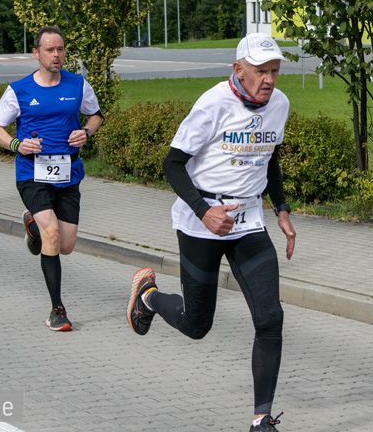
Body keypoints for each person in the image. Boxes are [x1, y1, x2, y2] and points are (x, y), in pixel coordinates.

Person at [127, 33, 296, 432]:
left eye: (274, 71)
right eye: (260, 71)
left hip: (249, 220)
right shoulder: (213, 103)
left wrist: (282, 209)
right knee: (196, 324)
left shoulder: (281, 105)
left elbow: (269, 159)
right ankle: (148, 296)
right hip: (201, 221)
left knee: (270, 318)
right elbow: (172, 165)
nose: (269, 79)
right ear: (238, 69)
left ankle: (261, 419)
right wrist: (203, 213)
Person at [0, 26, 103, 332]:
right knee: (51, 233)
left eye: (61, 49)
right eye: (50, 50)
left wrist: (87, 132)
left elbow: (96, 115)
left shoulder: (78, 85)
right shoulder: (19, 90)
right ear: (36, 53)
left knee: (65, 245)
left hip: (68, 173)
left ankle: (32, 227)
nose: (57, 55)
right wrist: (16, 144)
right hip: (32, 173)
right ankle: (57, 309)